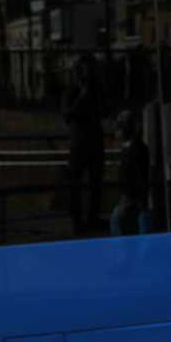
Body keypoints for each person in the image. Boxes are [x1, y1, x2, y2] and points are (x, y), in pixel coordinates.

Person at [63, 58, 104, 234]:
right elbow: (67, 115)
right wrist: (82, 97)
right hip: (79, 144)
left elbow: (104, 110)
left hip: (94, 143)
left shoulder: (95, 91)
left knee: (96, 184)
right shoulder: (71, 92)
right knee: (75, 185)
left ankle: (92, 218)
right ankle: (78, 222)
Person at [110, 109, 151, 236]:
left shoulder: (137, 148)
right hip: (128, 196)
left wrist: (139, 198)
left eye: (120, 127)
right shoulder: (127, 147)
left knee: (118, 221)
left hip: (133, 197)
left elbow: (140, 174)